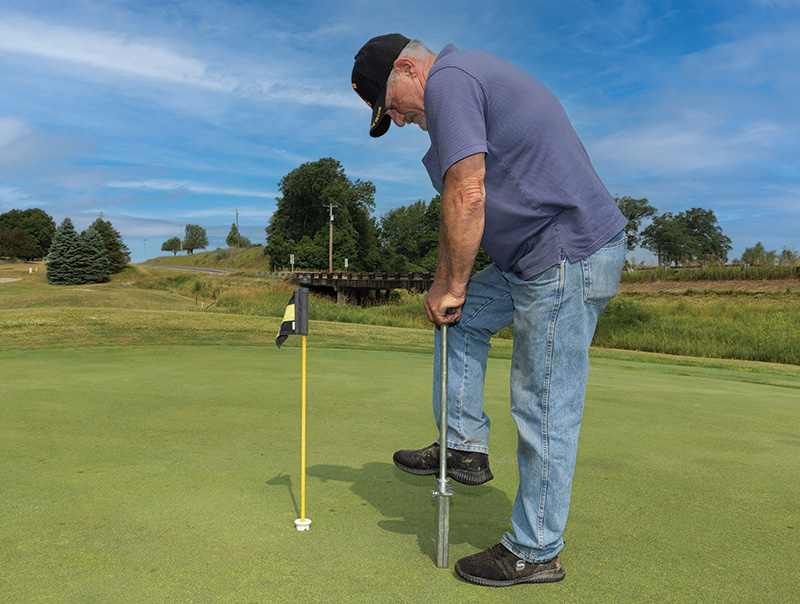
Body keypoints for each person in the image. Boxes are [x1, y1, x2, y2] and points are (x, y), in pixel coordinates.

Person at [351, 34, 628, 587]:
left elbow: (468, 192)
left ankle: (535, 550)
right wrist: (445, 289)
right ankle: (464, 447)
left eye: (393, 106)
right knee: (460, 315)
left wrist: (452, 283)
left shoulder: (453, 79)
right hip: (528, 257)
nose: (398, 121)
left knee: (544, 403)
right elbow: (461, 211)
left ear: (407, 68)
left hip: (565, 254)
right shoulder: (461, 85)